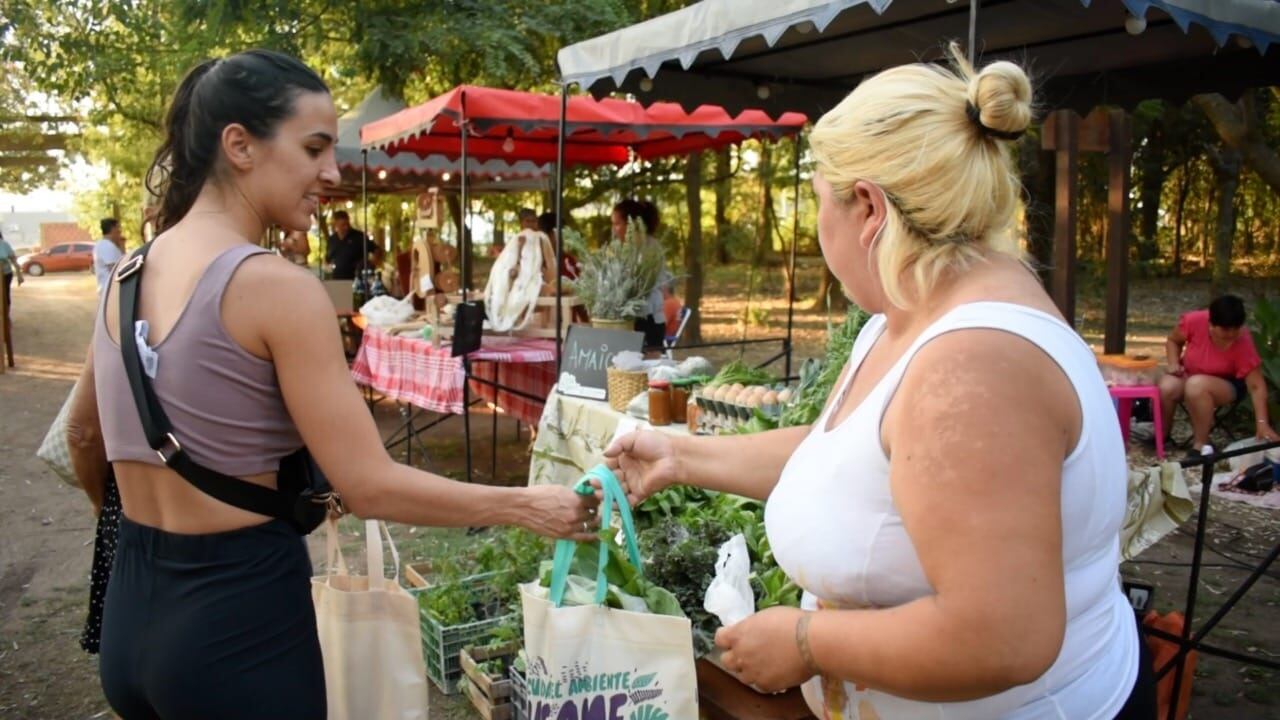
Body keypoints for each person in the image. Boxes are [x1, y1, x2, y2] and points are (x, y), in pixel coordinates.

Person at [605, 45, 1155, 719]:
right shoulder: (916, 304)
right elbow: (855, 454)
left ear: (868, 208)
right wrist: (682, 456)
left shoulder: (974, 364)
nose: (817, 231)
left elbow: (1003, 638)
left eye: (818, 205)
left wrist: (807, 642)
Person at [62, 49, 598, 720]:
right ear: (239, 146)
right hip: (236, 627)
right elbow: (368, 485)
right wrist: (527, 505)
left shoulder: (126, 275)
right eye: (315, 147)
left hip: (131, 612)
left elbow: (83, 435)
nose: (333, 171)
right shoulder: (275, 286)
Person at [1159, 294, 1277, 457]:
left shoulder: (1243, 341)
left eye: (1235, 329)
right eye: (1225, 329)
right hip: (1189, 373)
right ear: (1211, 324)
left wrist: (1262, 423)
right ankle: (1161, 437)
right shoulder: (1195, 321)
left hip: (1227, 383)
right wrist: (1173, 363)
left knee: (1196, 385)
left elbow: (1256, 386)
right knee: (1167, 386)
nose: (1231, 334)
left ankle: (1200, 444)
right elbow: (1173, 340)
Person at [611, 199, 672, 351]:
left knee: (648, 368)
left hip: (648, 319)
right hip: (628, 319)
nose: (614, 230)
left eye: (617, 224)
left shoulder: (650, 248)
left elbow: (640, 284)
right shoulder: (623, 248)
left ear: (631, 224)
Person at [324, 209, 366, 279]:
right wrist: (326, 265)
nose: (346, 227)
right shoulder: (332, 240)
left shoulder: (359, 236)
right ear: (336, 224)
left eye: (347, 224)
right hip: (336, 278)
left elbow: (376, 250)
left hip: (356, 278)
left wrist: (371, 264)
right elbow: (327, 258)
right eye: (343, 225)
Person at [0, 229, 23, 353]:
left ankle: (5, 321)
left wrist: (19, 274)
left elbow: (13, 259)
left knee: (4, 298)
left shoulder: (4, 244)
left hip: (4, 275)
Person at [93, 218, 125, 294]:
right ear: (113, 229)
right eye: (118, 227)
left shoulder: (105, 245)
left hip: (109, 289)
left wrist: (122, 246)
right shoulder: (107, 246)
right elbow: (115, 269)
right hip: (110, 290)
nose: (120, 231)